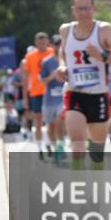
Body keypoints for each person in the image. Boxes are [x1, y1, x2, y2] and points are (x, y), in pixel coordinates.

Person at [57, 0, 111, 169]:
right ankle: (79, 187)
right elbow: (62, 51)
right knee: (77, 143)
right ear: (73, 9)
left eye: (87, 8)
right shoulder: (65, 30)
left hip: (98, 95)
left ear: (94, 9)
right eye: (79, 9)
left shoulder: (104, 30)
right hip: (74, 92)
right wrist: (62, 65)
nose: (83, 13)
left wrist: (103, 56)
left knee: (97, 150)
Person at [23, 32, 54, 159]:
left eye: (44, 41)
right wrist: (25, 97)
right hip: (36, 92)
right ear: (36, 43)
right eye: (39, 42)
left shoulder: (53, 52)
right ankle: (40, 147)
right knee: (39, 120)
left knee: (52, 121)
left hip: (51, 92)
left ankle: (50, 143)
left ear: (48, 41)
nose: (42, 44)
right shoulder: (30, 56)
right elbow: (26, 78)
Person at [39, 34, 67, 162]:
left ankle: (60, 148)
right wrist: (52, 76)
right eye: (57, 44)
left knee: (59, 123)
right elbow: (43, 82)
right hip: (49, 99)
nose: (59, 46)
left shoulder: (68, 60)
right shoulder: (46, 62)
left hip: (63, 98)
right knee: (51, 127)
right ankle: (55, 146)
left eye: (61, 44)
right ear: (52, 45)